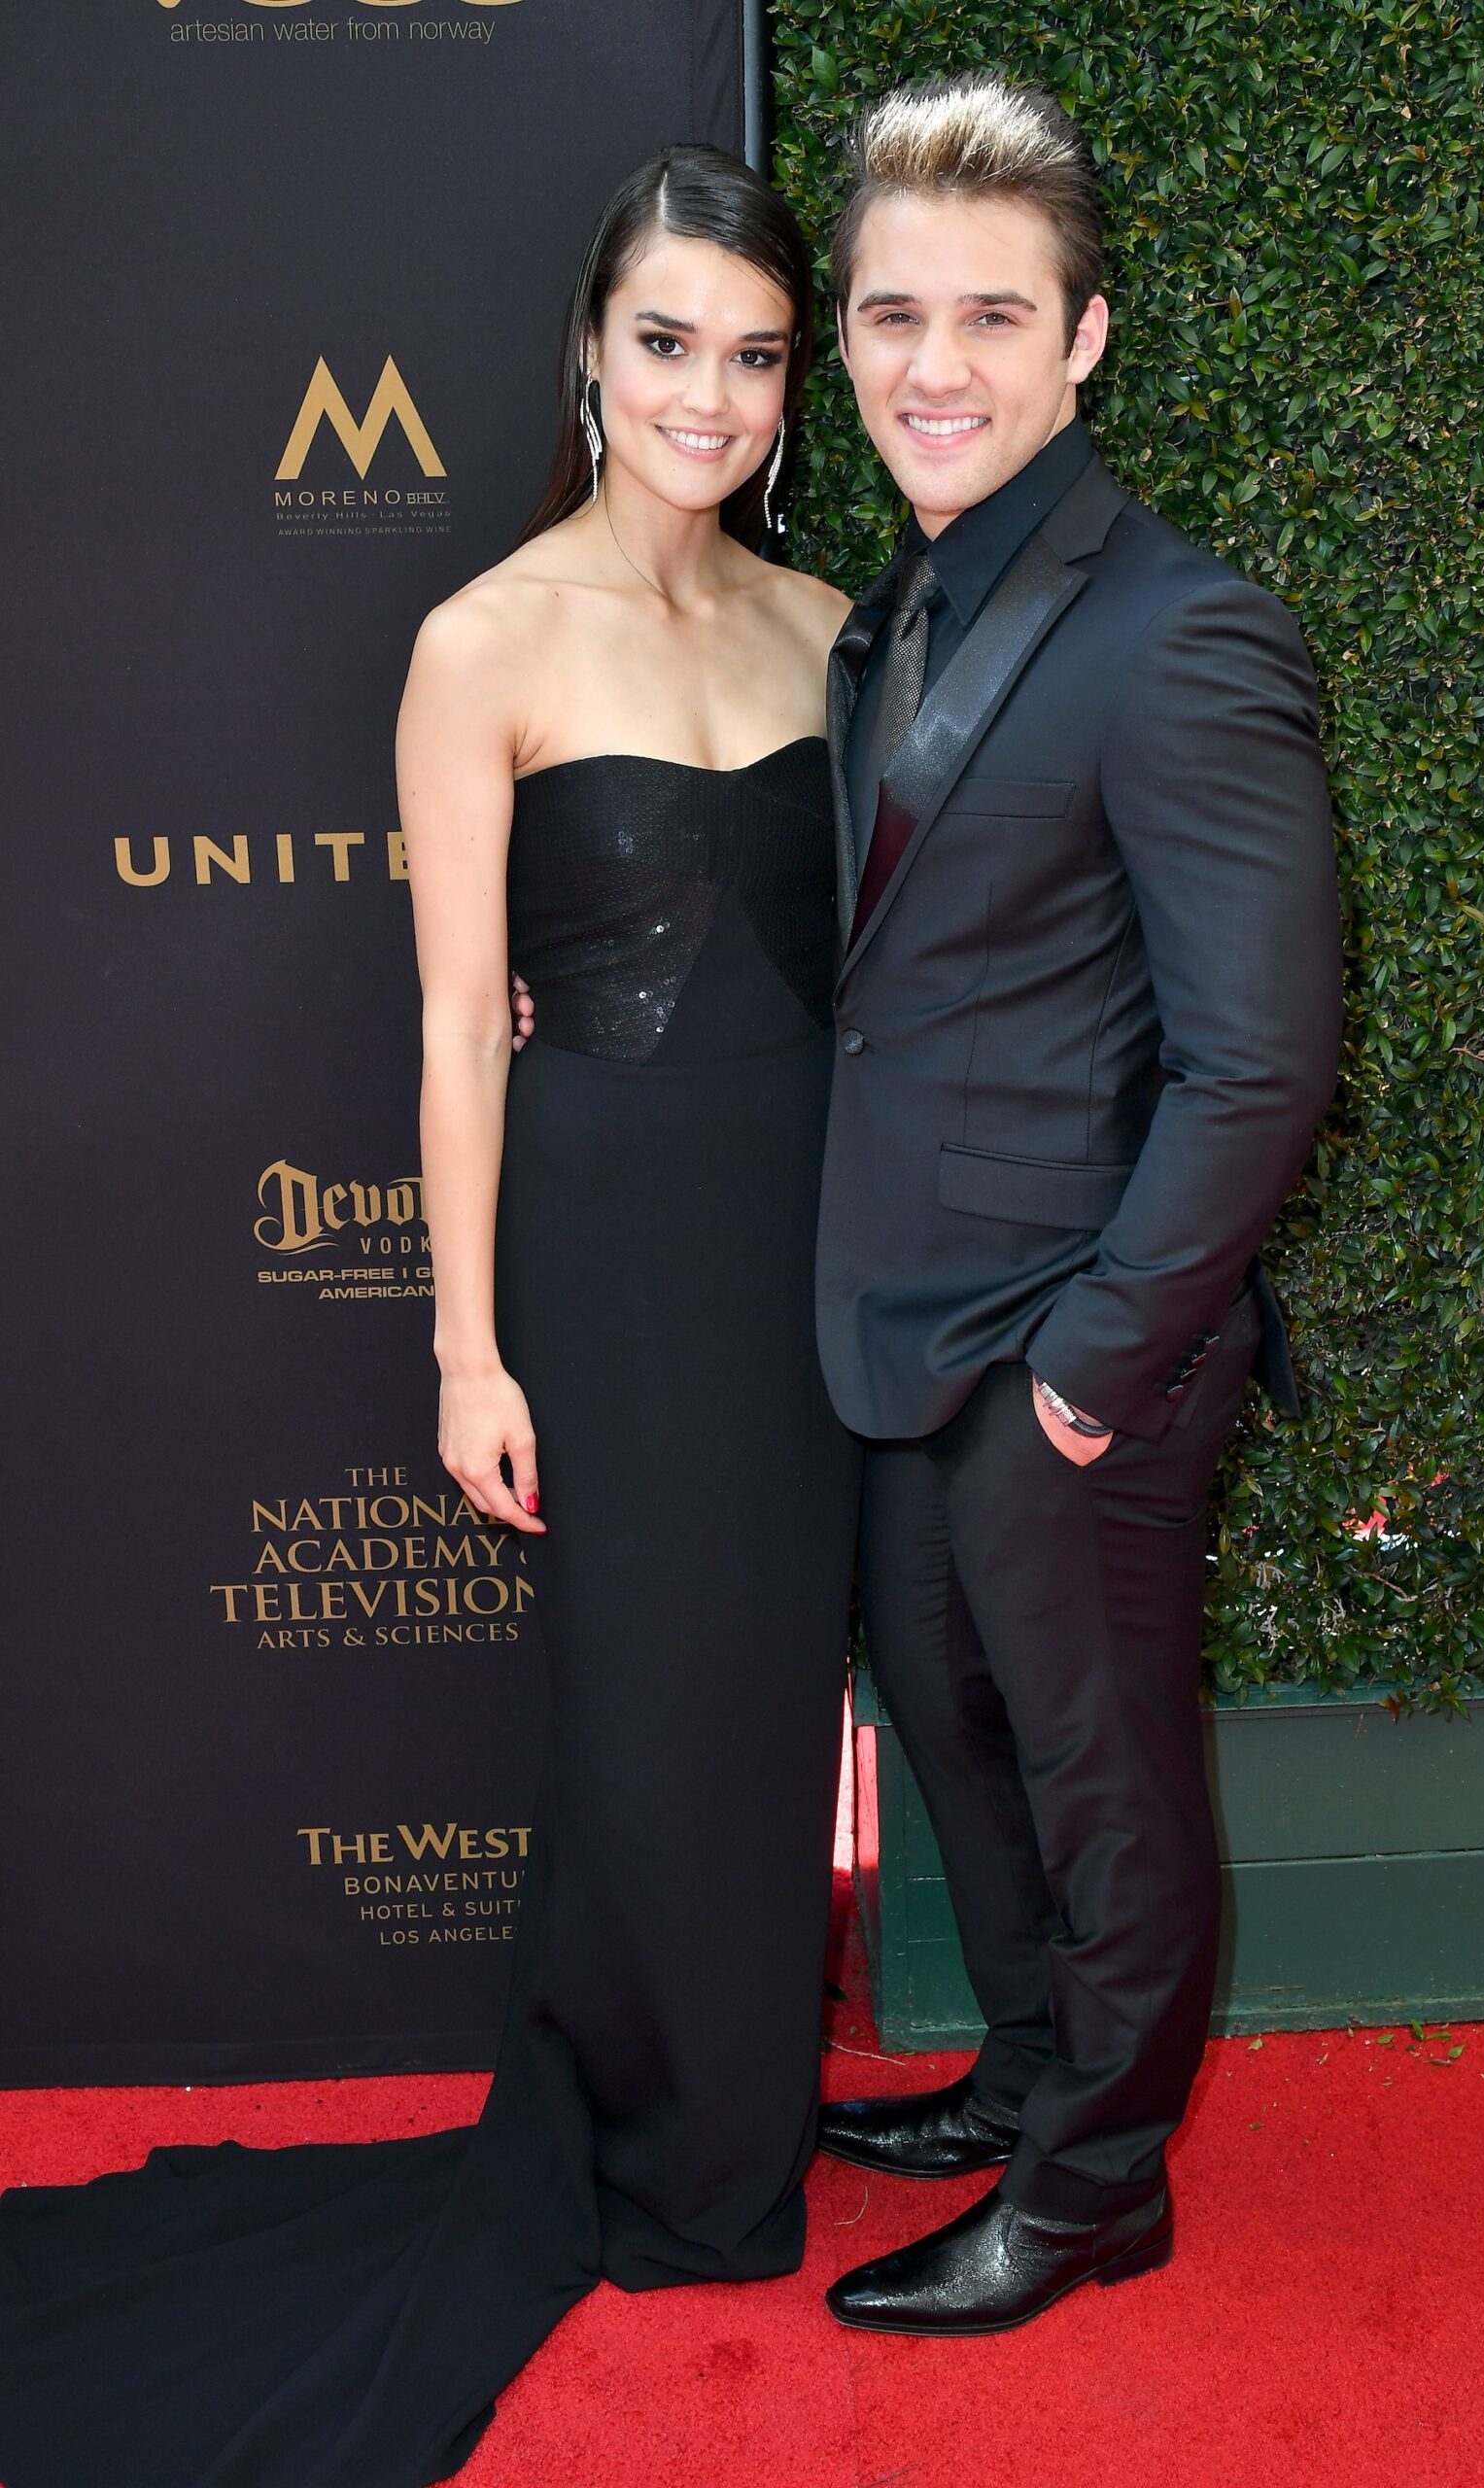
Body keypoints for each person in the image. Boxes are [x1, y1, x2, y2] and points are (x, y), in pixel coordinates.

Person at [0, 144, 859, 2486]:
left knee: (773, 1693)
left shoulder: (822, 622)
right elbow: (454, 1016)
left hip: (806, 1241)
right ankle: (653, 2133)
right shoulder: (480, 639)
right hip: (604, 1235)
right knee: (644, 1701)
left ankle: (741, 2122)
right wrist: (467, 1345)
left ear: (789, 390)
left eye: (753, 354)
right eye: (667, 342)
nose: (707, 391)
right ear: (589, 353)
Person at [806, 73, 1345, 2334]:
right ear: (842, 337)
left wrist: (1089, 1374)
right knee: (963, 1738)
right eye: (891, 312)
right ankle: (1023, 2071)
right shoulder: (886, 617)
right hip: (904, 1325)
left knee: (1100, 1780)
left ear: (1083, 339)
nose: (936, 363)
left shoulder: (1179, 632)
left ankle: (1096, 2180)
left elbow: (1260, 1058)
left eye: (991, 316)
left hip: (1066, 1347)